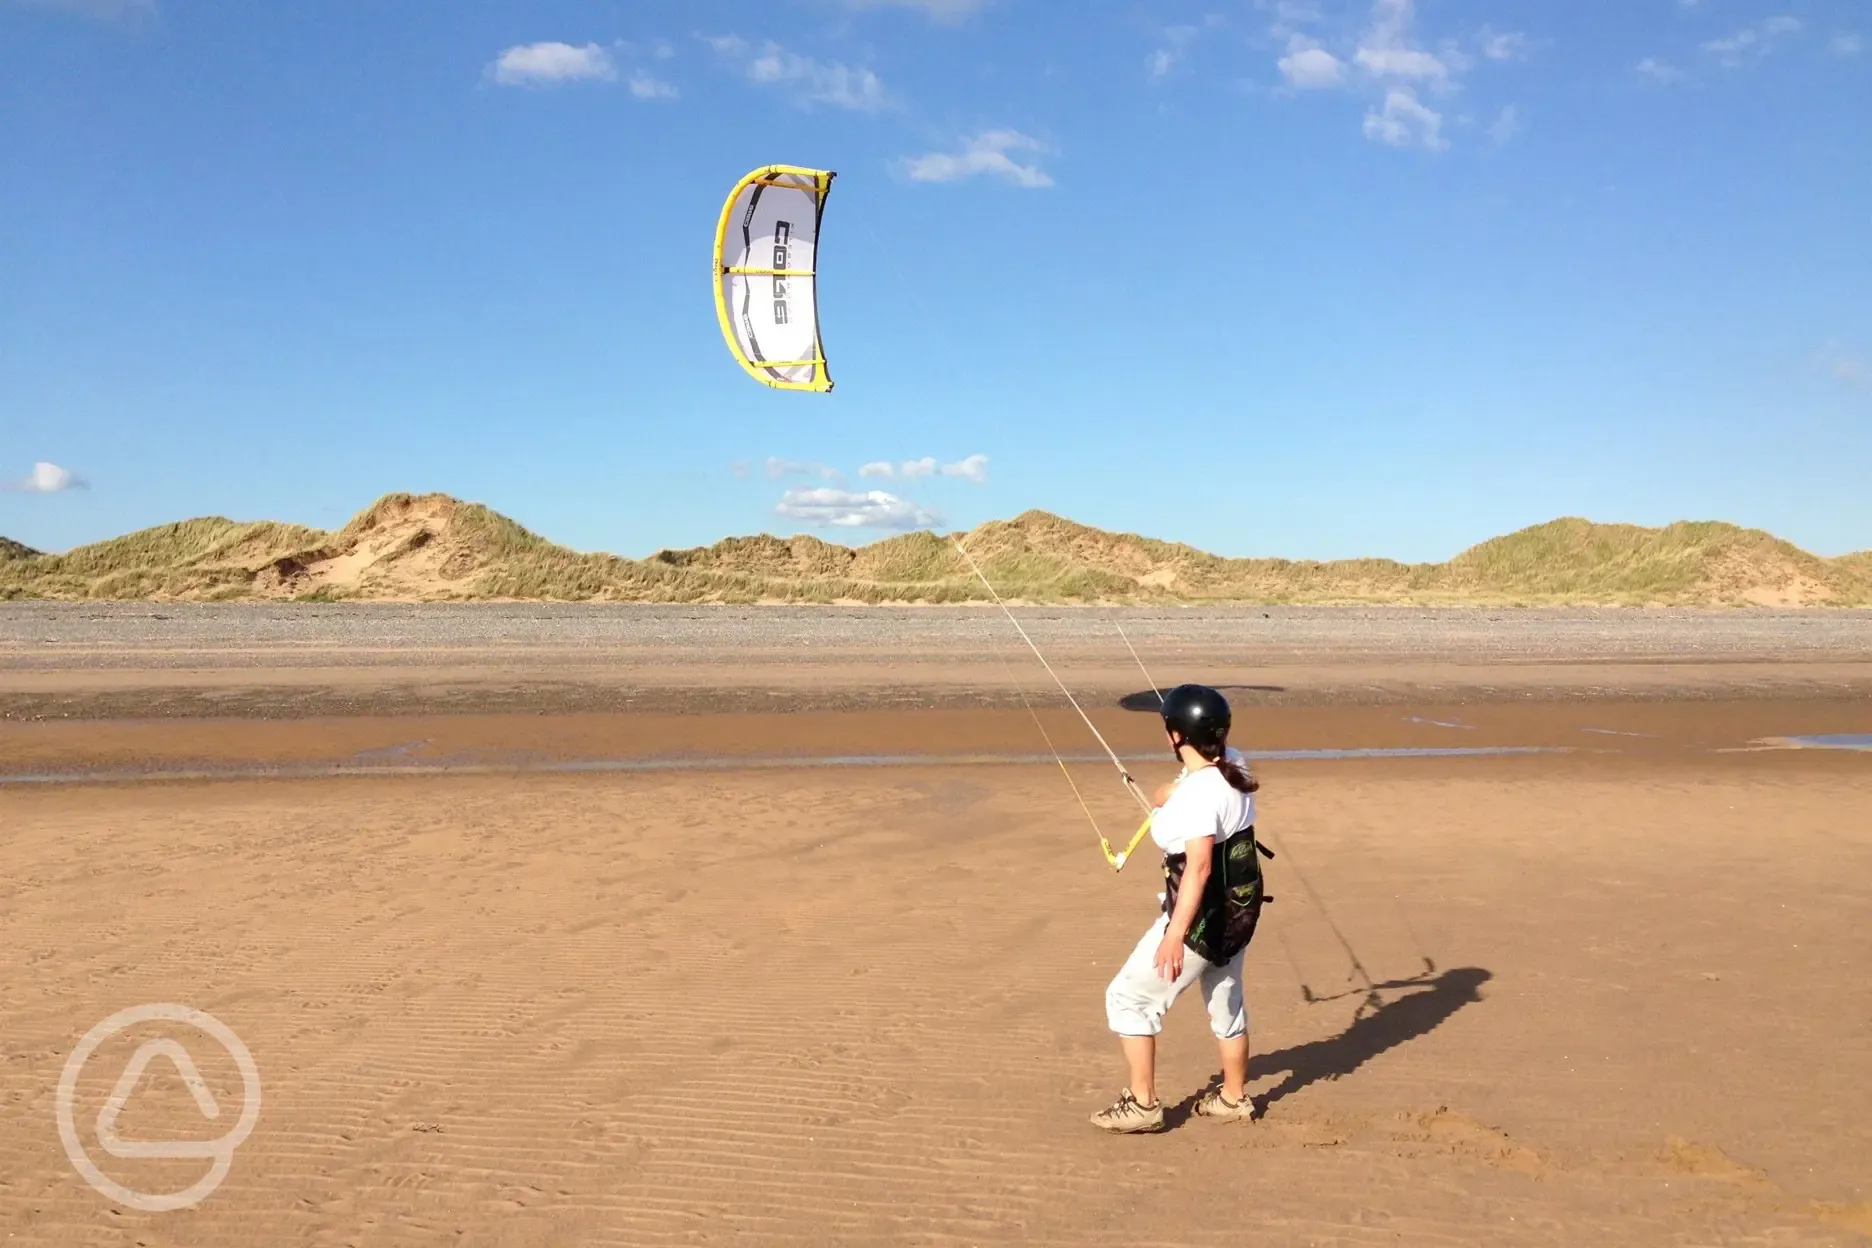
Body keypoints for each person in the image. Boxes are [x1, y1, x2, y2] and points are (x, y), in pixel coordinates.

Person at [1091, 683, 1268, 1133]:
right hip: (1239, 913)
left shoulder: (1200, 796)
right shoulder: (1233, 763)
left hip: (1202, 917)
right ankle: (1233, 1098)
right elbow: (1194, 782)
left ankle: (1143, 1105)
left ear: (1176, 736)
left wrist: (1174, 934)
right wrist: (1168, 792)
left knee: (1127, 998)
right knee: (1226, 1003)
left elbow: (1200, 868)